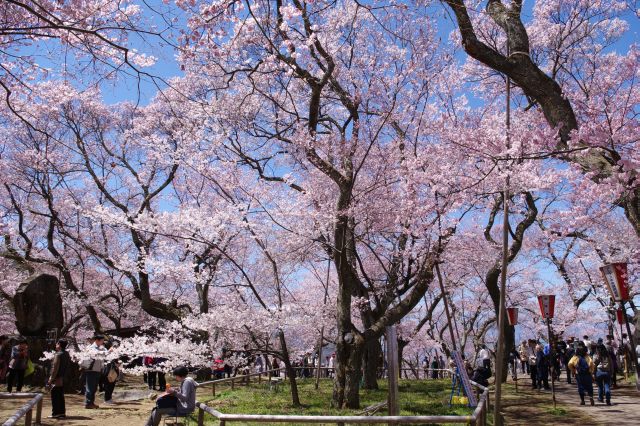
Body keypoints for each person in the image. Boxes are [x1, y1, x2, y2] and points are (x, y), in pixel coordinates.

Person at [48, 339, 71, 419]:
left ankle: (56, 413)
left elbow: (55, 368)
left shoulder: (58, 354)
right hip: (63, 377)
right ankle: (61, 412)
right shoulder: (67, 354)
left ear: (59, 344)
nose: (56, 345)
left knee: (55, 395)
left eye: (57, 343)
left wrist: (51, 378)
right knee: (60, 396)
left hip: (57, 378)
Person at [83, 334, 107, 409]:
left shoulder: (101, 347)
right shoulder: (91, 347)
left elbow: (105, 355)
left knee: (94, 386)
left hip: (97, 367)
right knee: (90, 386)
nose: (103, 342)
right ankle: (88, 403)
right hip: (92, 368)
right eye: (102, 341)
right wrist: (106, 351)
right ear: (97, 340)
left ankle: (91, 402)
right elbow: (96, 354)